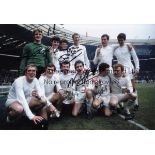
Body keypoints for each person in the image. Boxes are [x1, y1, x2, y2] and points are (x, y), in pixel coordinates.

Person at [114, 33, 140, 109]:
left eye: (121, 40)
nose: (120, 41)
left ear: (124, 40)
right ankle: (121, 103)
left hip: (129, 69)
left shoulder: (129, 47)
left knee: (133, 87)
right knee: (120, 88)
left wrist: (137, 68)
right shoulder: (115, 49)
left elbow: (135, 58)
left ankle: (136, 104)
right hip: (120, 70)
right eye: (119, 40)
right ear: (117, 40)